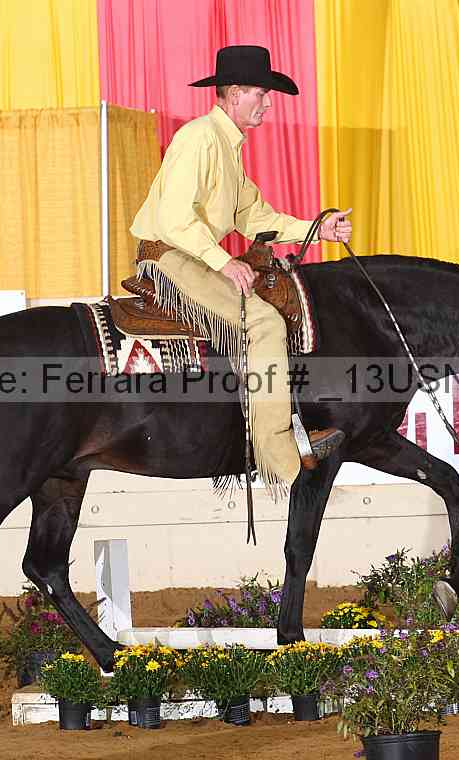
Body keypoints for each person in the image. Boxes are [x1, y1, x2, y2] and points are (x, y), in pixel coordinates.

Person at [130, 45, 352, 491]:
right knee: (264, 323)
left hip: (190, 254)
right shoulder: (199, 138)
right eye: (260, 93)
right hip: (169, 256)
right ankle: (279, 455)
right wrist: (224, 261)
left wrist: (317, 228)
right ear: (233, 94)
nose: (267, 104)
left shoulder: (227, 146)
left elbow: (255, 217)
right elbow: (174, 219)